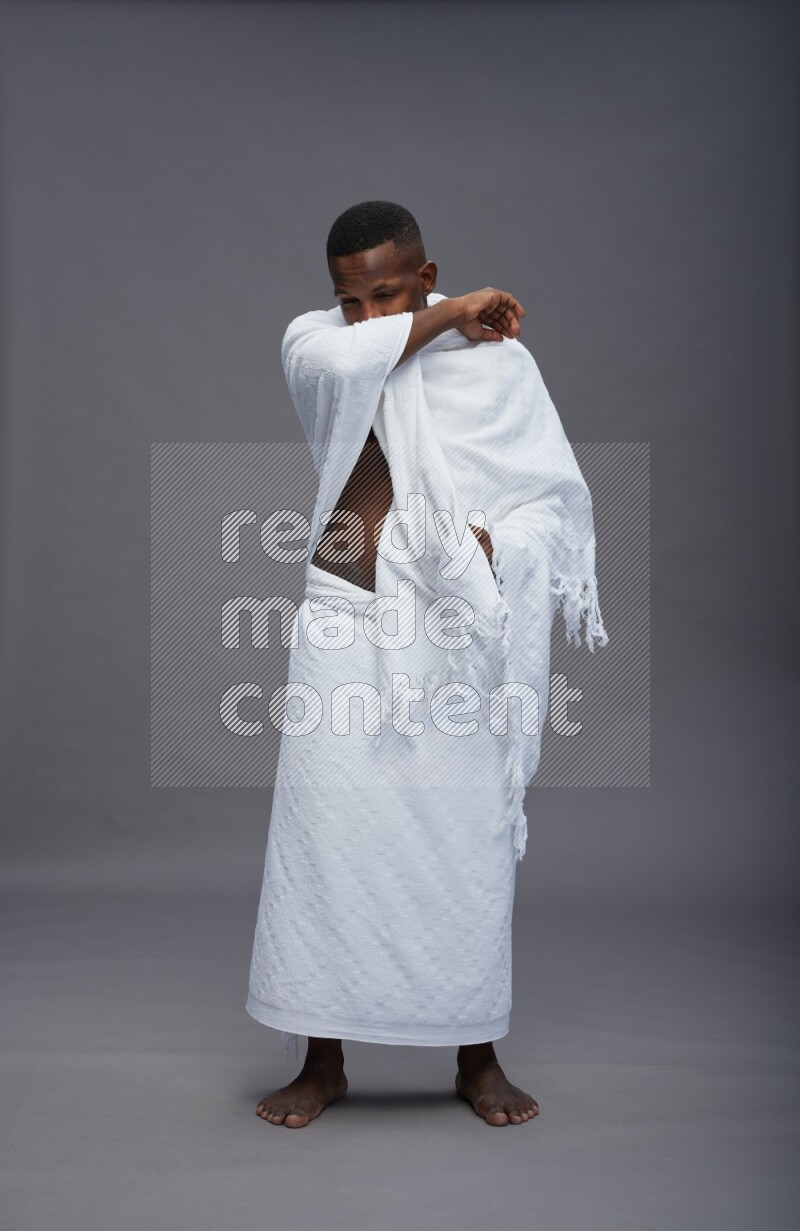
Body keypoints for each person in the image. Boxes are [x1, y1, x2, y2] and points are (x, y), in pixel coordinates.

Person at [247, 200, 607, 1128]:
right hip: (344, 614)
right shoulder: (320, 344)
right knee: (325, 838)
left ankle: (475, 1053)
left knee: (463, 839)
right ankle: (321, 1059)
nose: (365, 314)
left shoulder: (500, 367)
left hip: (455, 628)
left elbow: (553, 505)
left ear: (426, 270)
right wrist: (447, 313)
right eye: (350, 297)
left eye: (387, 294)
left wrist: (496, 541)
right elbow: (345, 357)